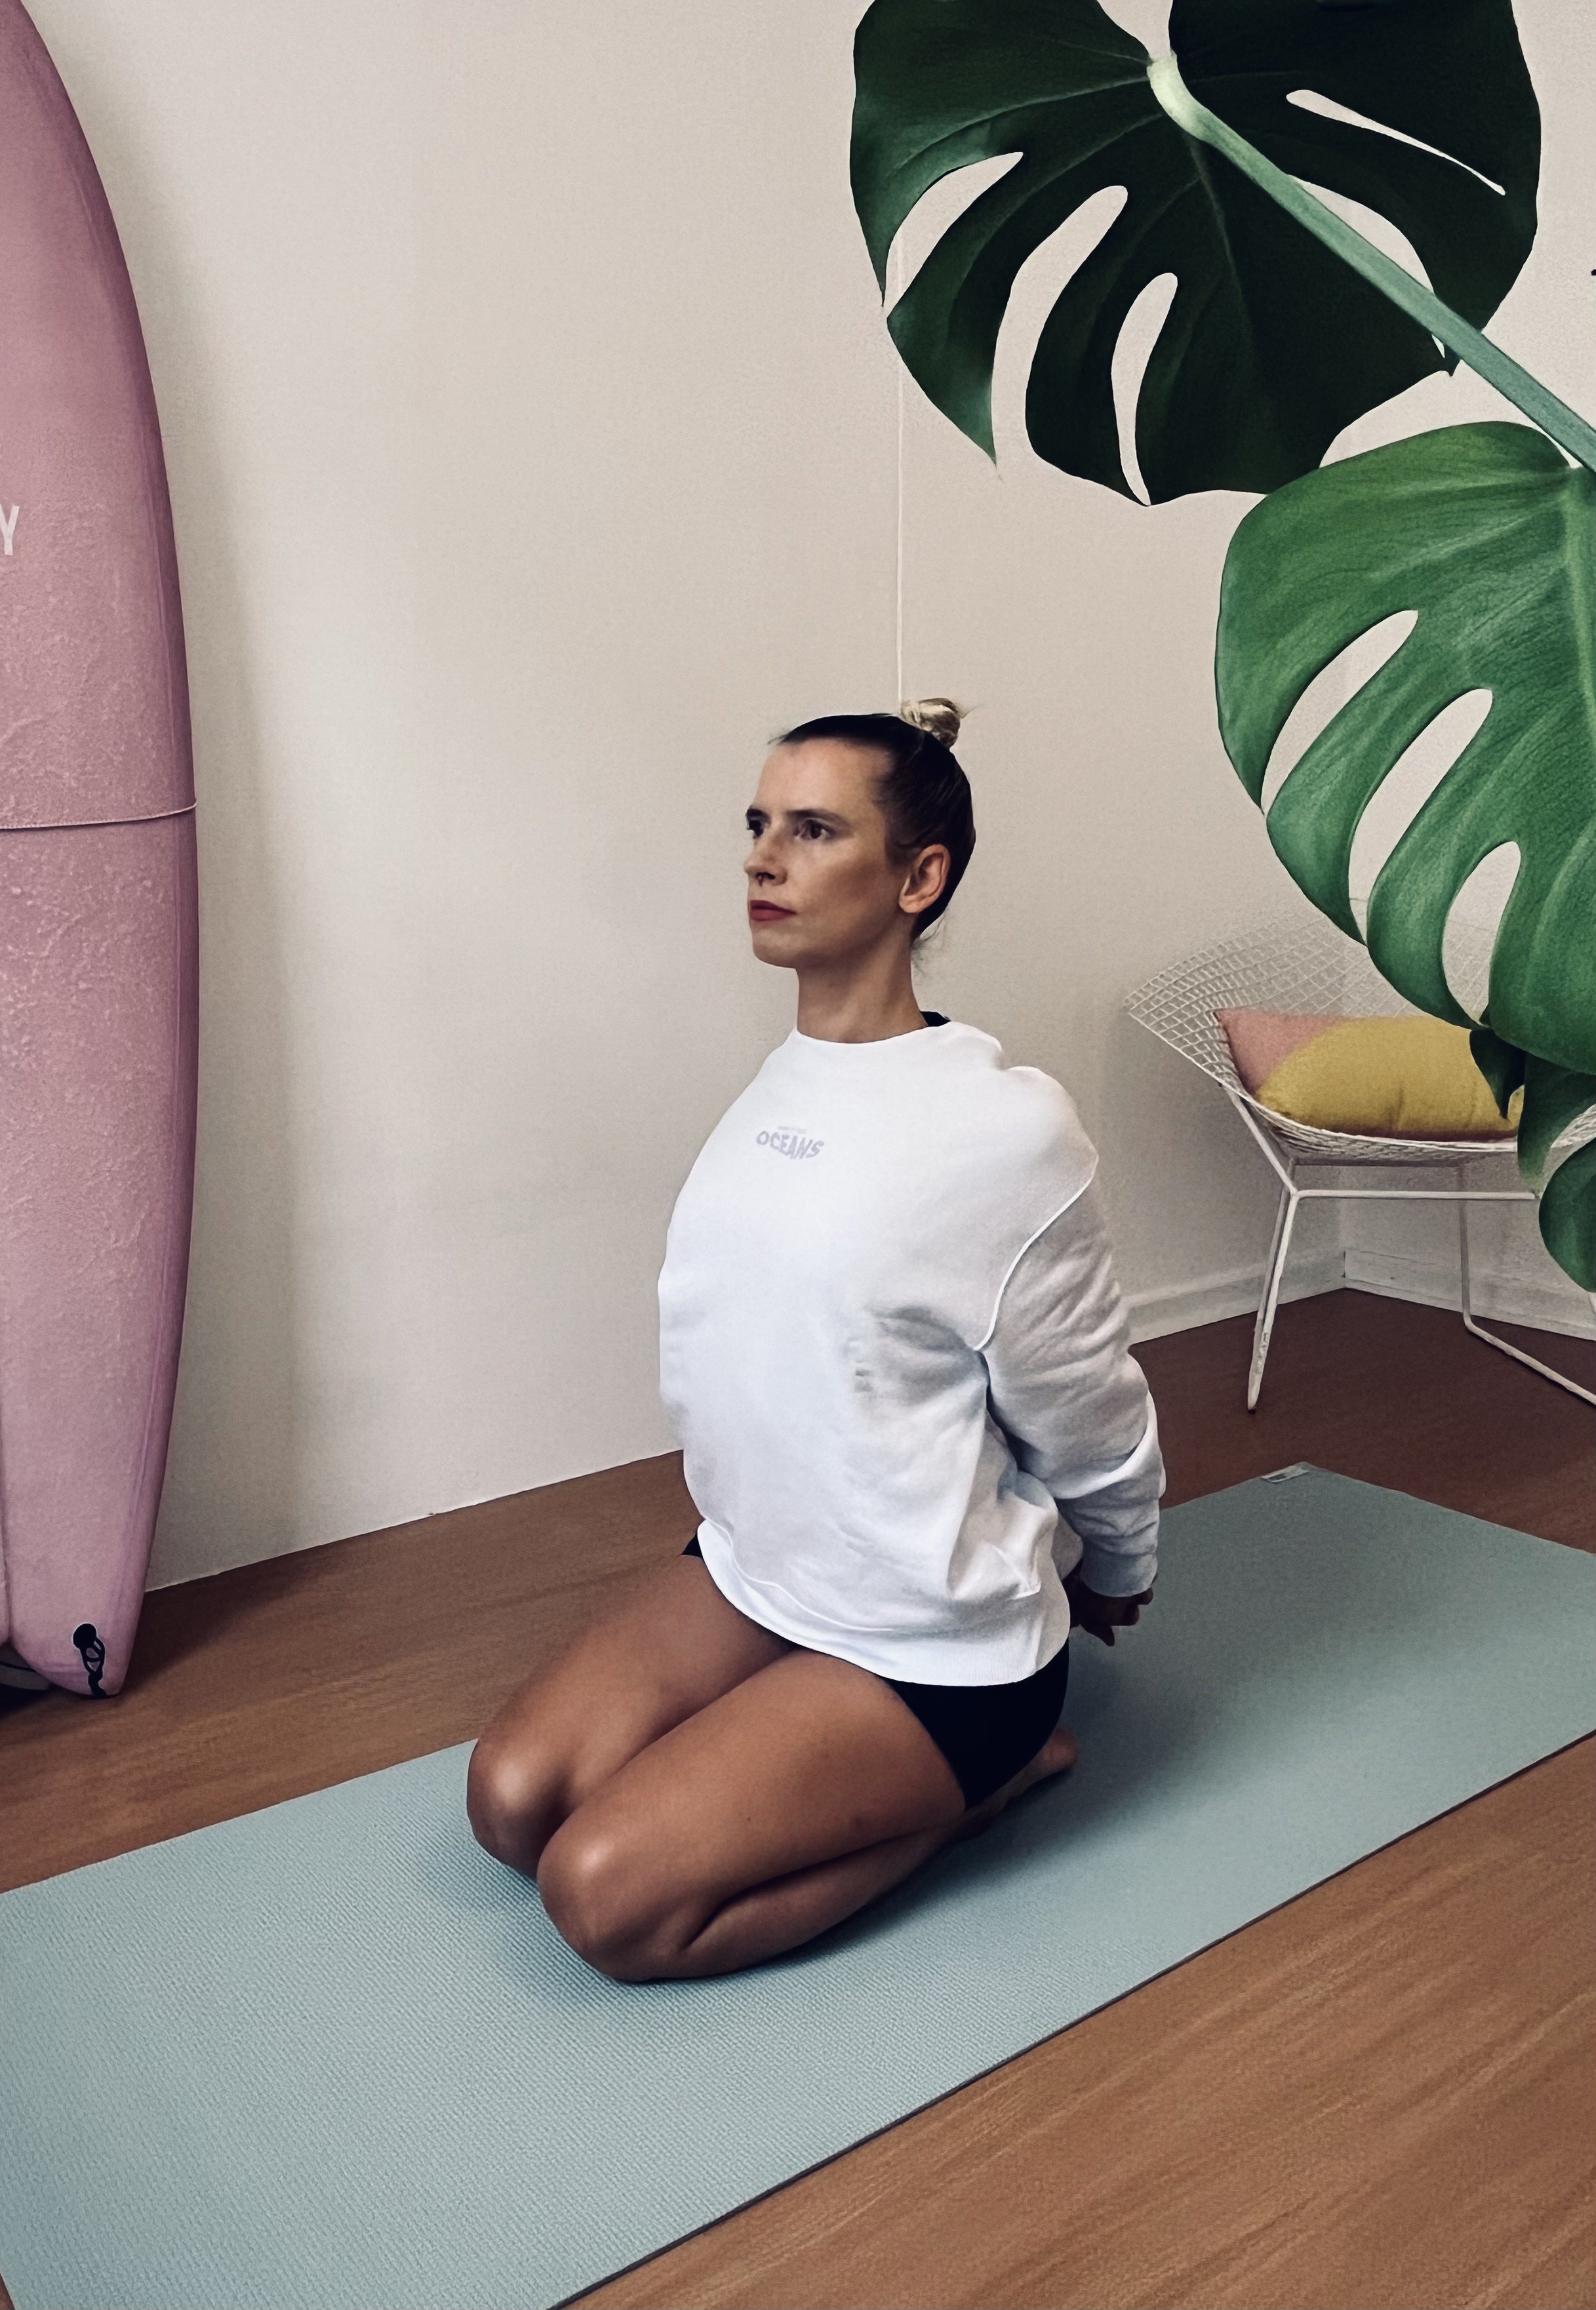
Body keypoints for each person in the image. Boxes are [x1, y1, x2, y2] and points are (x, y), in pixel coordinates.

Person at [468, 700, 1163, 1981]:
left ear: (917, 877)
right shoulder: (778, 1088)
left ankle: (976, 1791)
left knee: (604, 1899)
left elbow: (1084, 1401)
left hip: (933, 1644)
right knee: (511, 1804)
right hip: (763, 1569)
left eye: (811, 828)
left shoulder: (1000, 1133)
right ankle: (821, 1742)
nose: (760, 856)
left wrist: (1115, 1561)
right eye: (755, 824)